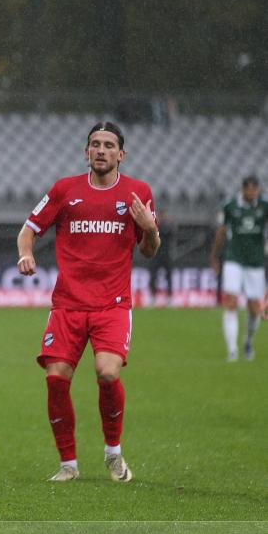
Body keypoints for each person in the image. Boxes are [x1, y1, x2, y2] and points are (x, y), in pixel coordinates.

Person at [17, 122, 160, 483]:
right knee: (55, 378)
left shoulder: (138, 192)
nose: (100, 150)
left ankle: (113, 453)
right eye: (94, 144)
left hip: (112, 305)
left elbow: (148, 250)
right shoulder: (65, 190)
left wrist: (151, 227)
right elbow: (29, 228)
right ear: (86, 152)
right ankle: (68, 464)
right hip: (67, 304)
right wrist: (25, 254)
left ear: (120, 155)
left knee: (108, 372)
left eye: (108, 145)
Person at [210, 175, 267, 361]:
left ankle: (248, 341)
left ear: (258, 189)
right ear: (243, 189)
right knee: (231, 301)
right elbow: (221, 231)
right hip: (234, 258)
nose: (251, 192)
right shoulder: (230, 206)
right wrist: (215, 255)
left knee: (254, 307)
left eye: (254, 189)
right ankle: (232, 350)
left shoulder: (264, 206)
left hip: (256, 261)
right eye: (248, 189)